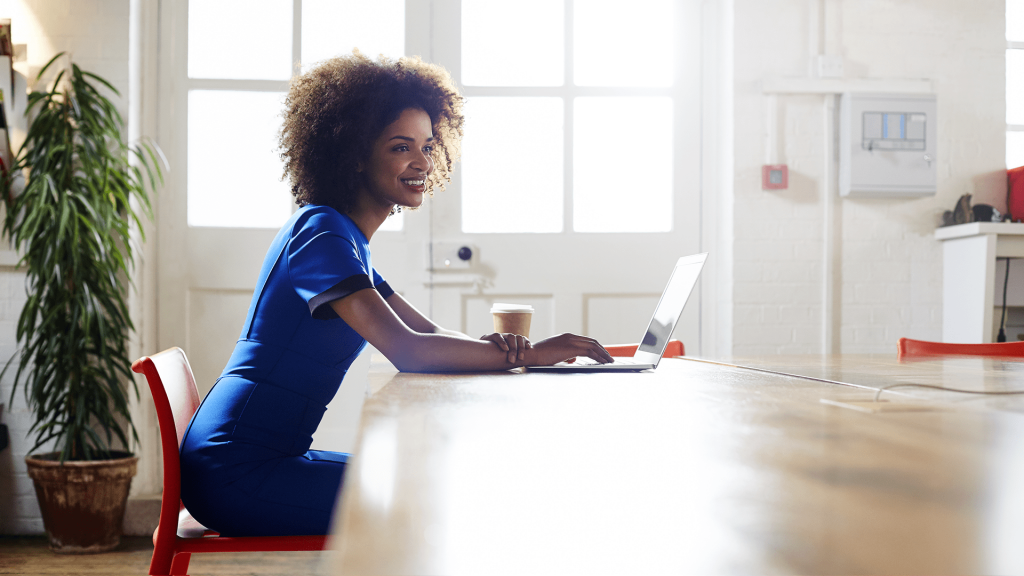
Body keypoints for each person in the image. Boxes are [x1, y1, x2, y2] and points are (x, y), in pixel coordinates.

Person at [178, 52, 614, 537]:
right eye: (400, 147)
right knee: (430, 502)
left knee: (429, 486)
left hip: (257, 457)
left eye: (428, 146)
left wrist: (510, 350)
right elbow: (408, 349)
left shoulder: (345, 241)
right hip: (234, 472)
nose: (422, 162)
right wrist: (532, 355)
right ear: (355, 154)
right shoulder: (321, 235)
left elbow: (425, 331)